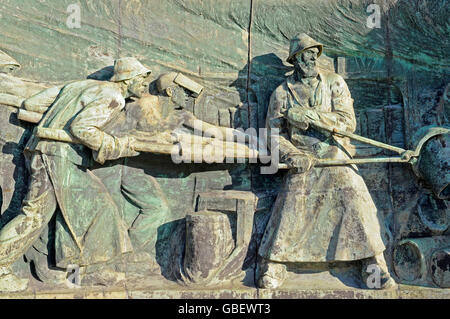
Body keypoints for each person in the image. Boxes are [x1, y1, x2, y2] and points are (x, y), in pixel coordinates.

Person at [257, 33, 396, 289]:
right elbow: (272, 135)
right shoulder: (281, 93)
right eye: (305, 53)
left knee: (352, 191)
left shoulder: (335, 83)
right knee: (293, 197)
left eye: (314, 52)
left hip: (335, 155)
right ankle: (274, 263)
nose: (311, 58)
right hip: (303, 159)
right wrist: (292, 155)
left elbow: (347, 123)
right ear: (295, 59)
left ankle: (373, 264)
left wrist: (310, 116)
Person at [0, 57, 151, 291]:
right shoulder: (114, 97)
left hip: (48, 152)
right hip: (57, 156)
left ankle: (81, 273)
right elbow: (82, 128)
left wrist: (61, 115)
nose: (145, 85)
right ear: (127, 79)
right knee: (35, 215)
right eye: (142, 79)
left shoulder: (78, 87)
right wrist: (116, 145)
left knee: (96, 208)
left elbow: (32, 103)